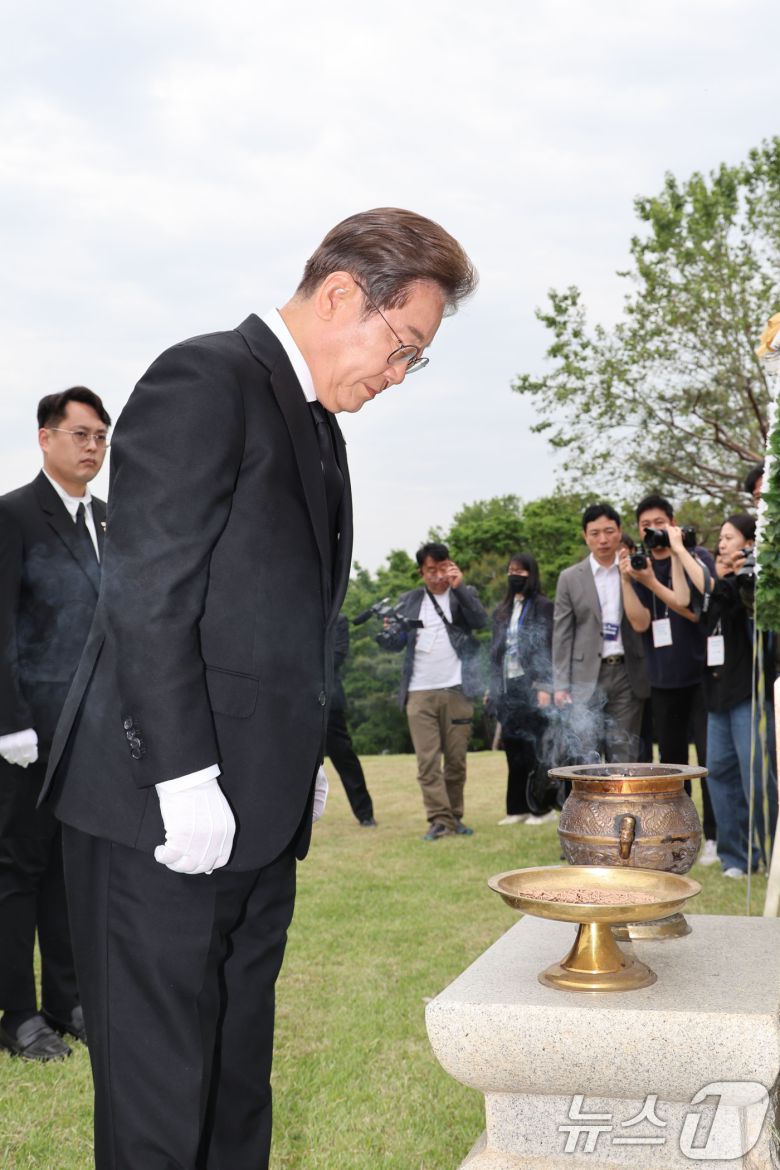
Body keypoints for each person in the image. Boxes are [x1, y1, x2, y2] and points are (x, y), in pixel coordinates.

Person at [40, 209, 477, 1170]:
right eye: (401, 346)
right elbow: (150, 594)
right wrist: (186, 775)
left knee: (234, 1090)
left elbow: (286, 621)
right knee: (161, 1108)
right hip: (158, 809)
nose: (398, 376)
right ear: (338, 296)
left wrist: (298, 745)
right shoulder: (206, 379)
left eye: (418, 361)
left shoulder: (317, 425)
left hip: (259, 811)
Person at [0, 387, 110, 1060]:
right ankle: (17, 1013)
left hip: (91, 733)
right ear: (46, 439)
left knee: (72, 868)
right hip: (26, 731)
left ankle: (67, 1000)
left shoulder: (110, 520)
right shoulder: (13, 515)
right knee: (18, 867)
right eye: (80, 434)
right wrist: (8, 721)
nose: (93, 446)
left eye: (101, 435)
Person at [671, 515, 778, 877]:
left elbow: (716, 586)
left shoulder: (752, 584)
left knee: (757, 778)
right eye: (721, 538)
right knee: (719, 776)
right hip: (715, 696)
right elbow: (692, 597)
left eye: (729, 537)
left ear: (750, 542)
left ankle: (771, 854)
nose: (722, 543)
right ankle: (737, 858)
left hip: (748, 694)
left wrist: (680, 548)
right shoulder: (721, 586)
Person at [620, 494, 718, 856]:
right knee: (674, 765)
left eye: (660, 523)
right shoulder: (638, 565)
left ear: (673, 523)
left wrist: (670, 559)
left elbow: (693, 610)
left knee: (708, 759)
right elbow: (640, 622)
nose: (653, 531)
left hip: (701, 675)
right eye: (646, 526)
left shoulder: (694, 556)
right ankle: (682, 836)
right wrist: (629, 581)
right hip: (662, 679)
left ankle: (713, 835)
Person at [380, 542, 487, 840]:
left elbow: (480, 621)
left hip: (457, 689)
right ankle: (439, 820)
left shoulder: (463, 595)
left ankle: (454, 816)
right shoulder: (409, 600)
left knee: (456, 760)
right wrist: (389, 628)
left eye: (443, 568)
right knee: (427, 762)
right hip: (419, 691)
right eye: (431, 570)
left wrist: (460, 588)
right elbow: (394, 643)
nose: (438, 576)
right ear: (421, 572)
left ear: (450, 565)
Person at [552, 503, 649, 762]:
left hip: (627, 673)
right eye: (595, 533)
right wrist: (560, 683)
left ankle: (622, 804)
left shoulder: (637, 571)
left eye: (609, 531)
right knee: (586, 754)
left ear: (619, 532)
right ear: (585, 536)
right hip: (584, 677)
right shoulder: (570, 578)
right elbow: (562, 632)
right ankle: (591, 805)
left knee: (624, 754)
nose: (603, 539)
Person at [488, 553, 556, 825]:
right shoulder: (502, 610)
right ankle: (517, 808)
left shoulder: (542, 606)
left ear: (532, 573)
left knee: (535, 747)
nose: (515, 574)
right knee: (513, 747)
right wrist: (492, 689)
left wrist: (544, 684)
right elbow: (495, 653)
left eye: (521, 570)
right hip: (508, 685)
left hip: (533, 683)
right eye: (511, 570)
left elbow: (547, 647)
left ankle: (542, 807)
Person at [326, 613, 376, 826]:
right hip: (294, 700)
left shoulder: (338, 620)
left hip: (328, 700)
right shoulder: (293, 618)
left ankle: (365, 813)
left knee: (344, 756)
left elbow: (336, 657)